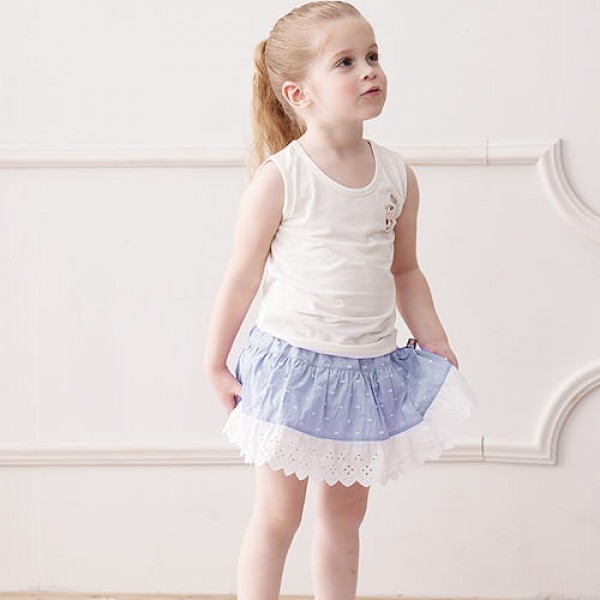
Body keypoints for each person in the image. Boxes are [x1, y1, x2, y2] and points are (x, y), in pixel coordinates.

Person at [203, 2, 477, 598]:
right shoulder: (282, 178)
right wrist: (214, 361)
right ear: (298, 94)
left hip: (365, 373)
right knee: (278, 516)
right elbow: (241, 278)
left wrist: (434, 338)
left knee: (345, 518)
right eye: (346, 62)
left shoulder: (397, 175)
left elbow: (405, 270)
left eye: (372, 55)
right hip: (294, 370)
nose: (369, 69)